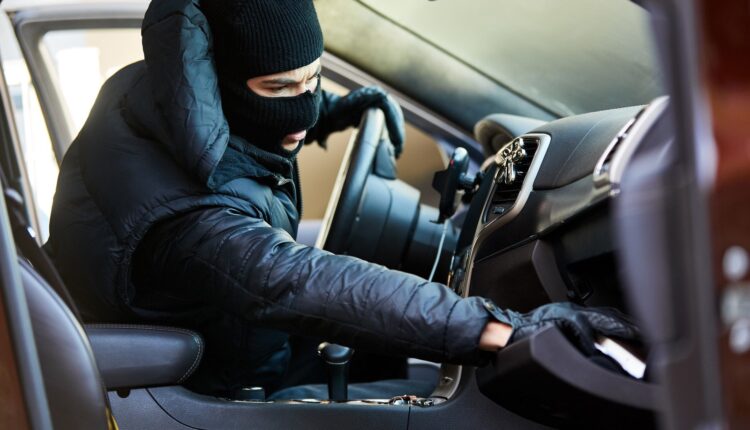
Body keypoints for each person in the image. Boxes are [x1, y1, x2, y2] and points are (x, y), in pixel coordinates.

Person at [44, 0, 638, 400]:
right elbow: (293, 280)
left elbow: (249, 121)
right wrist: (503, 327)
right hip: (212, 391)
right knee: (436, 396)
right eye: (280, 88)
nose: (302, 106)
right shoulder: (185, 221)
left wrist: (340, 109)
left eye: (314, 78)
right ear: (217, 81)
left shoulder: (151, 94)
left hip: (240, 339)